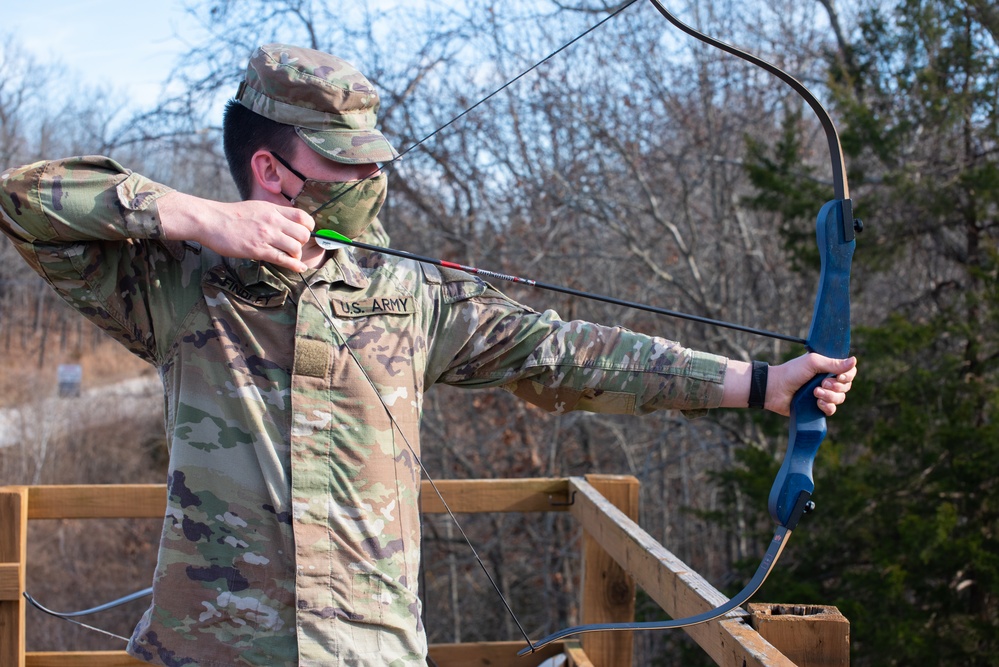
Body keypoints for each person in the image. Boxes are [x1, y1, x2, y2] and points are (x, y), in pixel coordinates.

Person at [0, 44, 857, 667]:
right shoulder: (174, 285)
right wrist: (195, 216)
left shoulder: (406, 298)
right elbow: (22, 198)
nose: (368, 181)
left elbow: (570, 354)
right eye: (344, 161)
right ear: (271, 169)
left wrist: (762, 384)